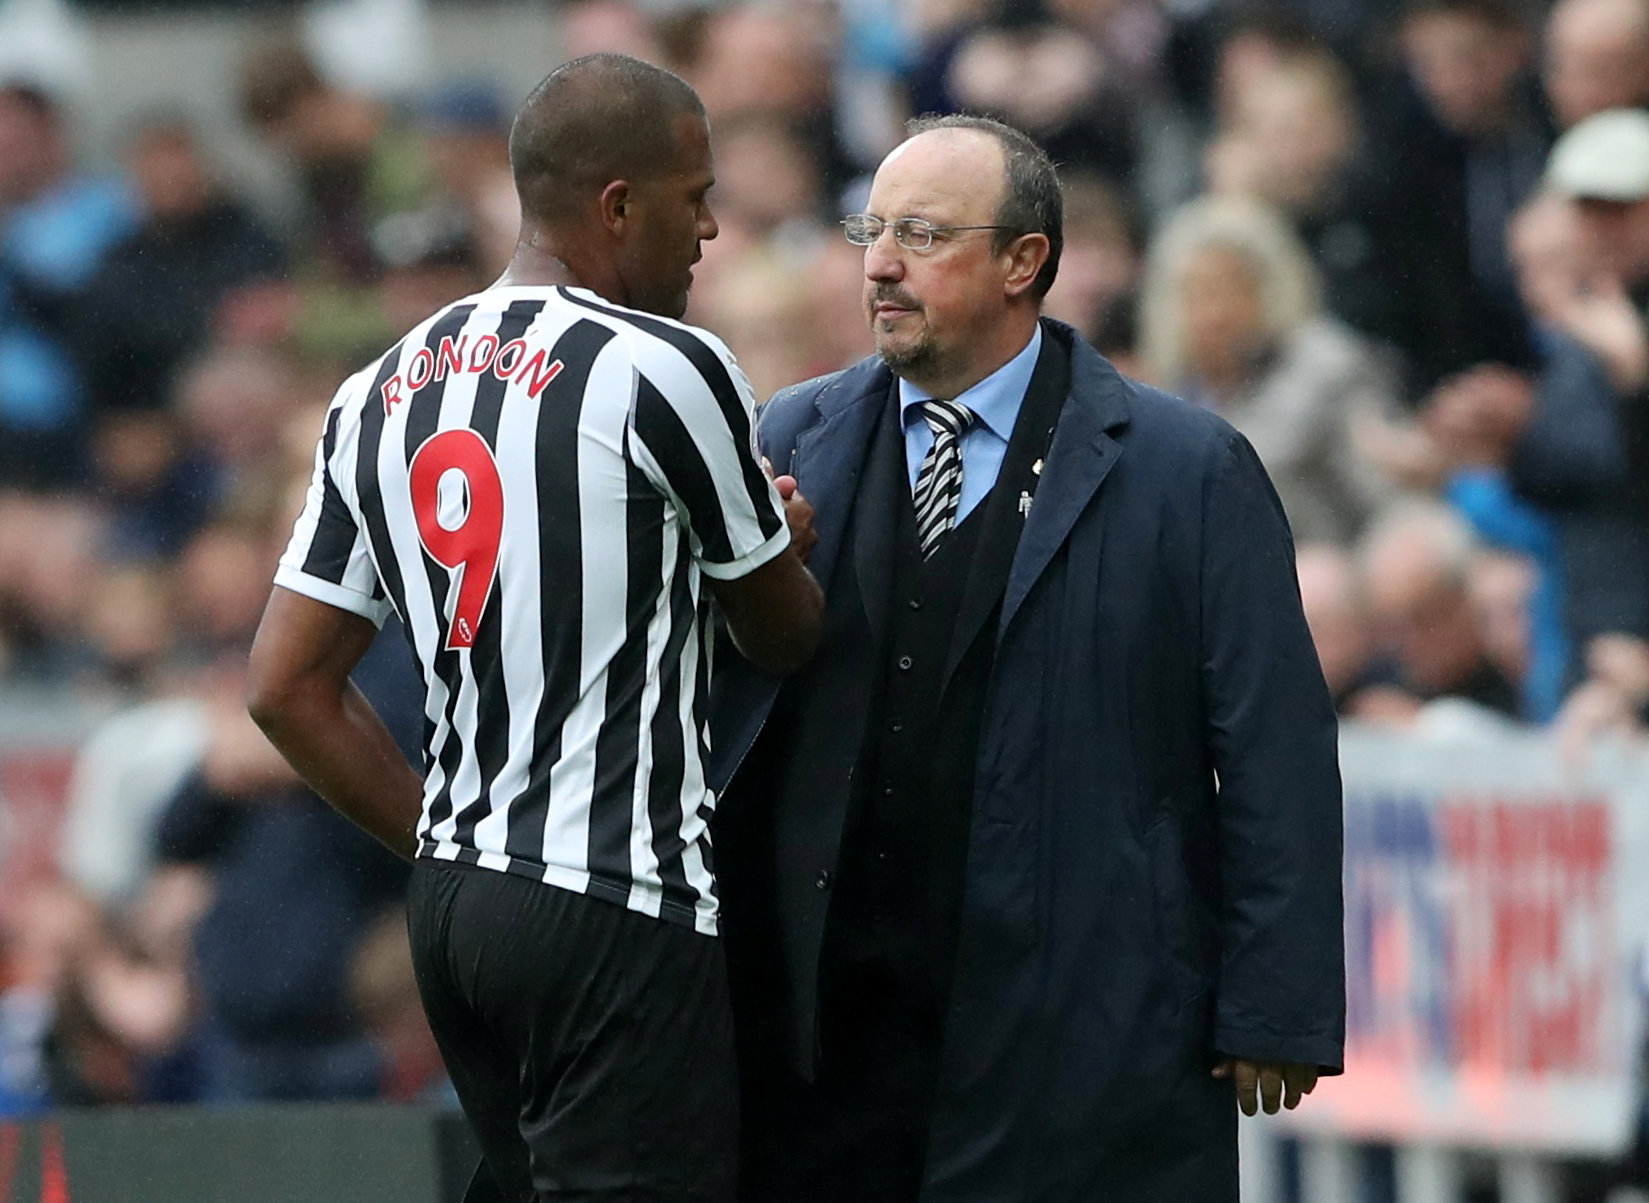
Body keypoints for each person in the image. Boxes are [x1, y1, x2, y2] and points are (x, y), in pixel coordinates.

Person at [709, 114, 1344, 1203]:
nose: (880, 264)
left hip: (1085, 1030)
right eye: (871, 228)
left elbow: (1272, 748)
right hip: (826, 1035)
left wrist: (1274, 1005)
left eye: (920, 233)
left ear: (1023, 261)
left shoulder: (1187, 469)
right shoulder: (788, 433)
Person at [245, 53, 823, 1203]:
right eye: (693, 195)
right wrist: (787, 550)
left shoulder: (379, 386)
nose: (711, 229)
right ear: (618, 205)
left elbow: (282, 688)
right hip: (616, 895)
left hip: (455, 910)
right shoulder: (666, 364)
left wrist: (446, 838)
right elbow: (781, 638)